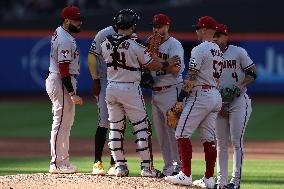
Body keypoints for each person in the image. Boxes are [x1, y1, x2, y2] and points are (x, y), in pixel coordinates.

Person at [100, 9, 180, 177]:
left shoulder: (105, 43)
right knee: (141, 127)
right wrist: (166, 63)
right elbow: (152, 65)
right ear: (132, 25)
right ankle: (146, 167)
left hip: (111, 87)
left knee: (115, 126)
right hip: (129, 88)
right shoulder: (135, 45)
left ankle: (120, 166)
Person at [165, 16, 223, 188]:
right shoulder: (218, 51)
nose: (196, 31)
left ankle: (186, 174)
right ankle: (209, 179)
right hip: (215, 95)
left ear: (204, 29)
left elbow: (191, 77)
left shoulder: (200, 49)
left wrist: (180, 99)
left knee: (181, 133)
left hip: (201, 93)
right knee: (208, 138)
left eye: (198, 28)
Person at [213, 24, 256, 189]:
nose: (216, 38)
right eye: (214, 35)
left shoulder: (238, 52)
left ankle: (235, 182)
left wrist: (241, 85)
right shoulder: (210, 55)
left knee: (236, 142)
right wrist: (217, 102)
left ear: (226, 36)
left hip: (238, 101)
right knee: (221, 143)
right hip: (218, 102)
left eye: (220, 35)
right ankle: (221, 182)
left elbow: (253, 72)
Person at [46, 5, 83, 174]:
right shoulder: (65, 39)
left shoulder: (61, 32)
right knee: (60, 123)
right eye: (76, 20)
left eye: (80, 19)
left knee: (65, 124)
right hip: (61, 82)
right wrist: (72, 94)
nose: (79, 22)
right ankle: (56, 163)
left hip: (59, 81)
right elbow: (63, 69)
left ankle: (64, 162)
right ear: (67, 21)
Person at [149, 13, 184, 177]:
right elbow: (146, 66)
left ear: (168, 26)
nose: (158, 29)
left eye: (161, 26)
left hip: (171, 90)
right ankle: (168, 167)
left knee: (173, 131)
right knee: (161, 134)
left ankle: (179, 166)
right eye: (155, 26)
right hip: (155, 92)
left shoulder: (174, 45)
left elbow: (176, 69)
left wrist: (156, 61)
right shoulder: (151, 43)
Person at [87, 24, 117, 175]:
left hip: (122, 80)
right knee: (104, 121)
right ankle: (97, 162)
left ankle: (115, 162)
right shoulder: (103, 33)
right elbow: (91, 55)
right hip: (105, 79)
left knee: (118, 122)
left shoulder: (131, 33)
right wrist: (95, 79)